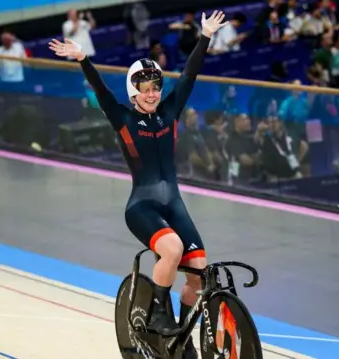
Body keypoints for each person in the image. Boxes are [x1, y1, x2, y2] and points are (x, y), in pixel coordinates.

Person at [48, 11, 229, 359]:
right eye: (145, 90)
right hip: (142, 207)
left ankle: (181, 339)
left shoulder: (170, 111)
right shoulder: (124, 118)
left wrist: (204, 37)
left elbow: (189, 75)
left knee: (197, 275)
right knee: (172, 250)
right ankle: (158, 314)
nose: (152, 94)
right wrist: (83, 59)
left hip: (173, 204)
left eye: (156, 88)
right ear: (134, 93)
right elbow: (100, 91)